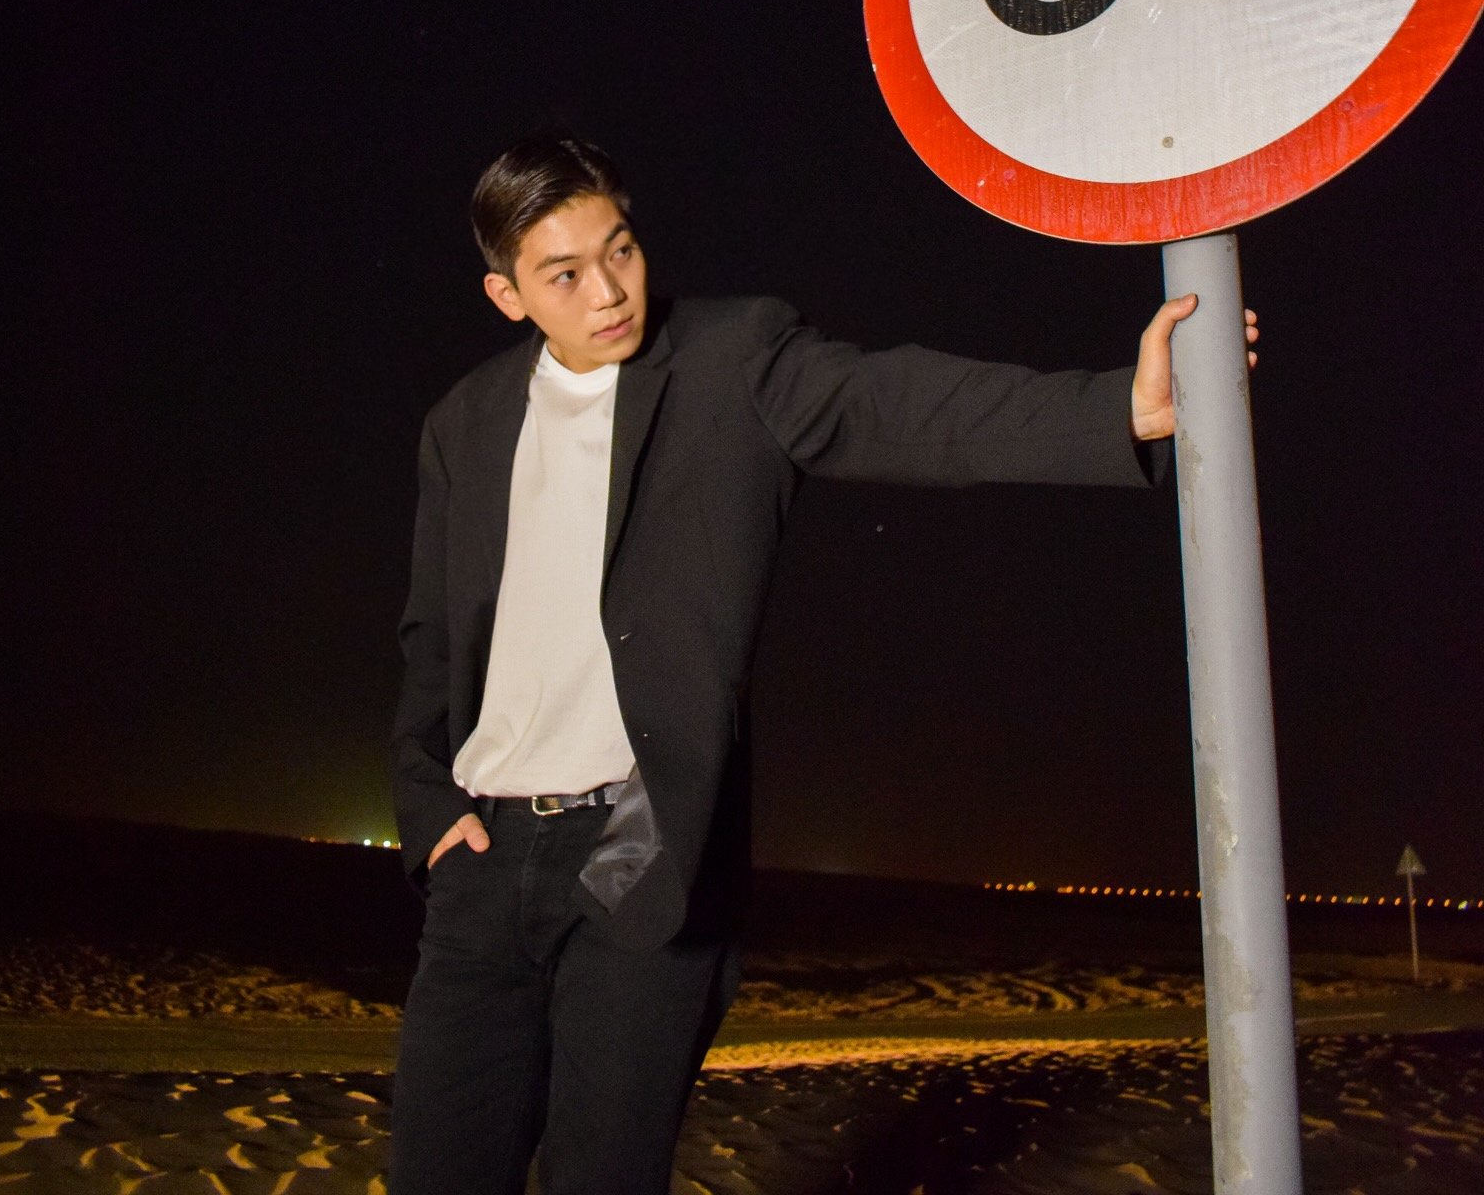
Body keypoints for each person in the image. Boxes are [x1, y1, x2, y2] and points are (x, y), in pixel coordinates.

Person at [389, 131, 1256, 1195]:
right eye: (564, 275)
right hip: (483, 864)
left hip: (639, 848)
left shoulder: (732, 359)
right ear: (507, 295)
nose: (609, 291)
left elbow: (897, 406)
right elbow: (434, 639)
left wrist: (1117, 407)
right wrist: (430, 811)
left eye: (620, 249)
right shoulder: (465, 423)